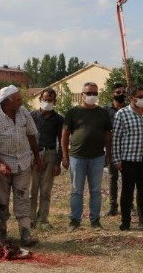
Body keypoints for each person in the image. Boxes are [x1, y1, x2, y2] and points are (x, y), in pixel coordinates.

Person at [0, 85, 41, 246]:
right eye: (18, 99)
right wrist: (0, 163)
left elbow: (31, 135)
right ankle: (1, 235)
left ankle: (25, 234)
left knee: (23, 198)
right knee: (2, 200)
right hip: (2, 165)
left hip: (23, 161)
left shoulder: (23, 112)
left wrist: (37, 156)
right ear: (7, 101)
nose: (21, 102)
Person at [61, 82, 112, 232]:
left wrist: (108, 154)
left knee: (95, 191)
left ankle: (95, 220)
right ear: (82, 94)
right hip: (77, 157)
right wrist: (65, 156)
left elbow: (108, 135)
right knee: (77, 190)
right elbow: (64, 136)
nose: (92, 96)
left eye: (95, 93)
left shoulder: (103, 113)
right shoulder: (73, 112)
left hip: (97, 157)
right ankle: (74, 220)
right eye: (89, 93)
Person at [112, 85, 143, 231]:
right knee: (127, 191)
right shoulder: (122, 114)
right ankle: (125, 221)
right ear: (131, 98)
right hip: (128, 159)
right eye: (140, 97)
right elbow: (116, 138)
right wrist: (116, 160)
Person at [29, 88, 64, 230]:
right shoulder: (31, 116)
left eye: (50, 100)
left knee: (45, 190)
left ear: (54, 101)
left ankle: (42, 219)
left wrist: (58, 162)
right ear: (40, 99)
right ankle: (30, 219)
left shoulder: (58, 119)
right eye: (45, 99)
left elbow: (62, 141)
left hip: (50, 154)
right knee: (32, 189)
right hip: (33, 154)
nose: (47, 102)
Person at [103, 83, 127, 216]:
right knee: (113, 178)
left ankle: (128, 204)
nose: (121, 94)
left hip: (128, 149)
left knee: (128, 179)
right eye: (118, 92)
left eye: (123, 92)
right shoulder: (105, 110)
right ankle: (113, 206)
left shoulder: (130, 109)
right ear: (112, 94)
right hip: (112, 148)